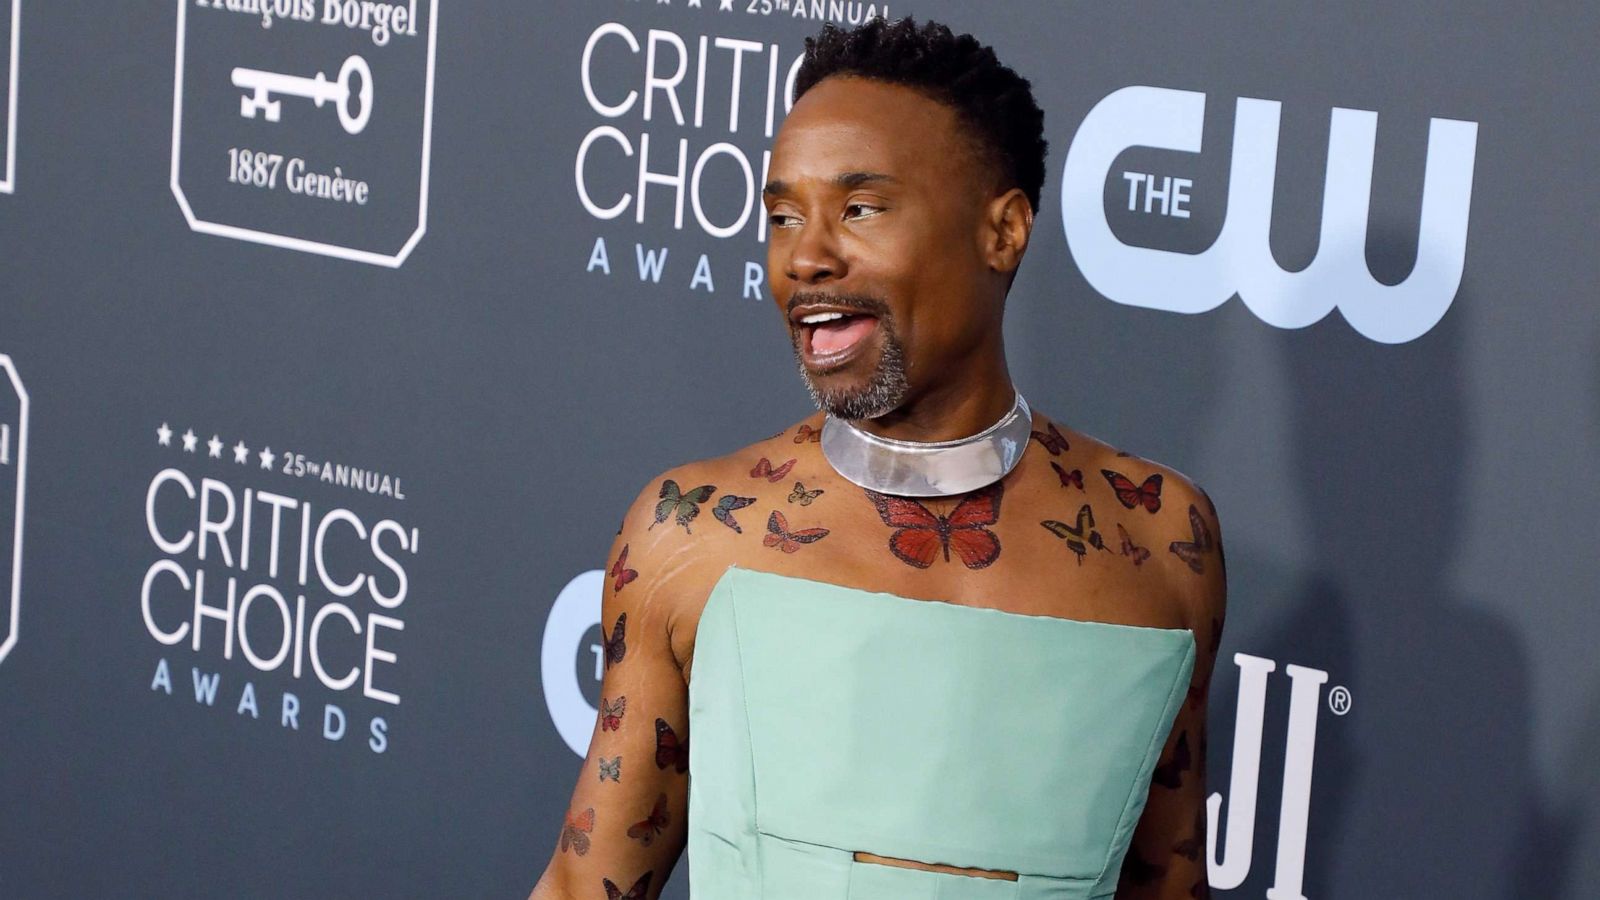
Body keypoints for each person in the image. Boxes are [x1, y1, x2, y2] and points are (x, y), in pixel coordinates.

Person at [530, 16, 1225, 900]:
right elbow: (582, 887)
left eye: (860, 208)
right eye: (783, 216)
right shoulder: (691, 537)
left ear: (1003, 232)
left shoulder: (1160, 539)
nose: (807, 256)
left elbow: (1170, 880)